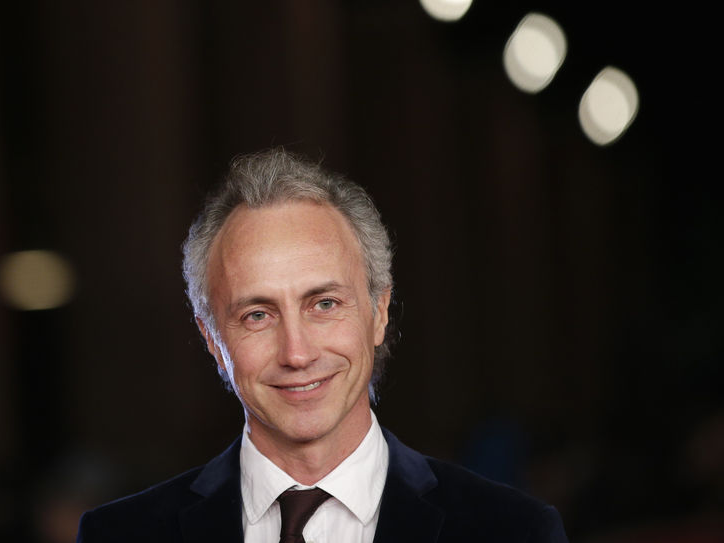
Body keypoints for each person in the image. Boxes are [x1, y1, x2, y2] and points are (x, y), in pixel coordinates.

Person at [76, 149, 569, 542]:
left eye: (324, 304)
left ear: (378, 311)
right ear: (212, 339)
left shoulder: (513, 531)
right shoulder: (120, 535)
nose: (297, 352)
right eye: (258, 315)